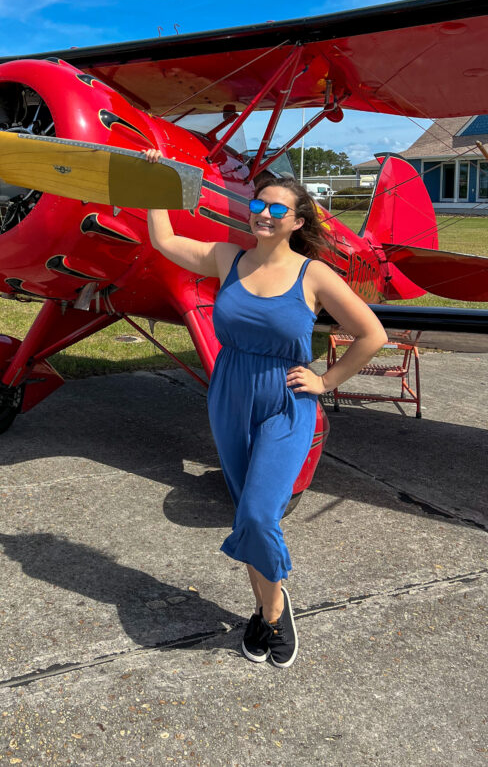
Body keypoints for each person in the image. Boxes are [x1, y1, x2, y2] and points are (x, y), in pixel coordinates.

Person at [144, 154, 387, 668]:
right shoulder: (226, 258)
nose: (264, 214)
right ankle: (266, 607)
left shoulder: (313, 273)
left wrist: (326, 380)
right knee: (246, 513)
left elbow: (372, 335)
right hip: (229, 396)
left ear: (297, 222)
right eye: (259, 204)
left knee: (259, 513)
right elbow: (164, 241)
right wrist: (158, 182)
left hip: (285, 401)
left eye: (278, 209)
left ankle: (273, 615)